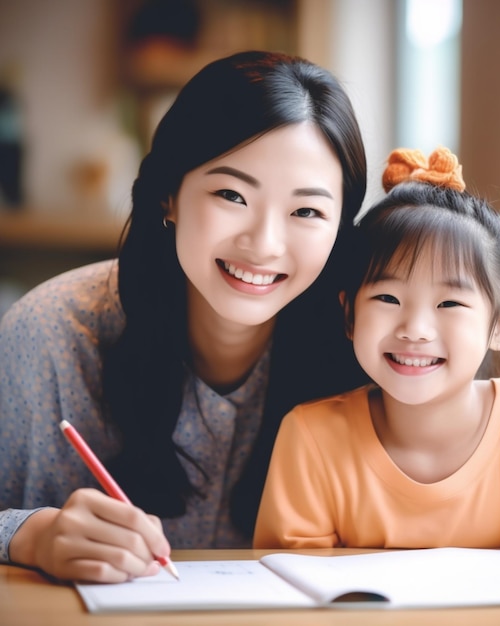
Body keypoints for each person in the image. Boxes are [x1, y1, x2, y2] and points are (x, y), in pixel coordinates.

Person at [0, 50, 369, 582]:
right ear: (168, 196)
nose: (264, 244)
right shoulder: (48, 335)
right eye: (231, 194)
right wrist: (31, 535)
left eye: (306, 211)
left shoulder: (362, 349)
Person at [254, 146, 500, 552]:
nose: (414, 330)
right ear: (349, 316)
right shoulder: (311, 435)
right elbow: (293, 595)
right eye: (387, 299)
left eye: (449, 304)